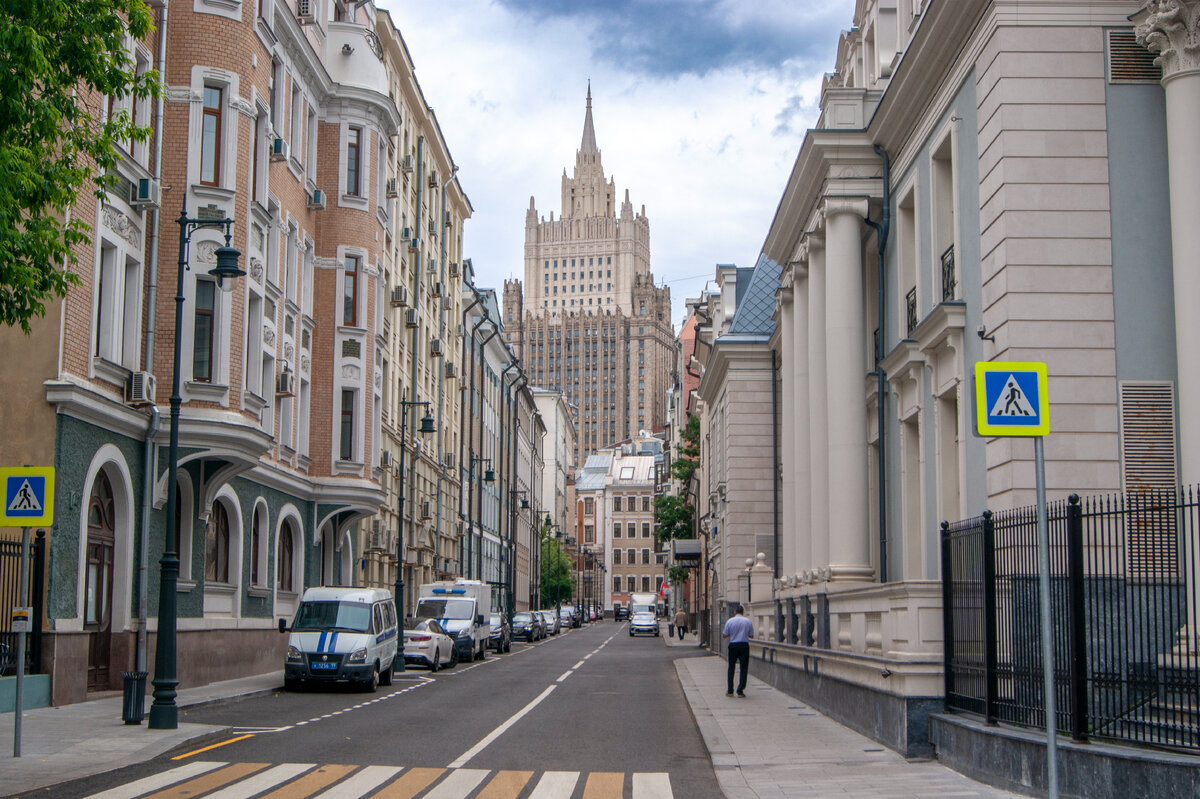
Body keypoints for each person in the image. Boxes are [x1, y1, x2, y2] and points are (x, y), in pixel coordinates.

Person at [722, 604, 753, 697]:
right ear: (743, 613)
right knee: (743, 668)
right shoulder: (748, 621)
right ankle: (740, 690)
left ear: (735, 612)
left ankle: (730, 690)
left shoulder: (730, 621)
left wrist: (732, 634)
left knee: (731, 668)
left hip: (733, 645)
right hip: (744, 645)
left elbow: (724, 635)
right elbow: (751, 635)